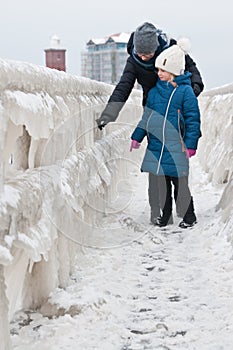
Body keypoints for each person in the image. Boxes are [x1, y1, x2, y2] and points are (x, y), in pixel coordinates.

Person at [96, 22, 204, 224]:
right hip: (154, 109)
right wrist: (109, 114)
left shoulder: (172, 51)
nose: (144, 57)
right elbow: (124, 87)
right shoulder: (134, 61)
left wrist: (190, 92)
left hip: (176, 114)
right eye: (141, 53)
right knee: (157, 171)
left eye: (149, 54)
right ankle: (160, 213)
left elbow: (192, 72)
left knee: (177, 174)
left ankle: (187, 214)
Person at [130, 38, 201, 228]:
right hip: (156, 146)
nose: (158, 73)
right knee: (162, 186)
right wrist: (137, 136)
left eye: (162, 70)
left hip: (177, 146)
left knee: (180, 185)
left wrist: (191, 144)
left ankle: (189, 216)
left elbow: (193, 120)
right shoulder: (154, 92)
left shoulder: (186, 93)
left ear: (174, 71)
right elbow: (147, 118)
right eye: (158, 69)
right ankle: (165, 215)